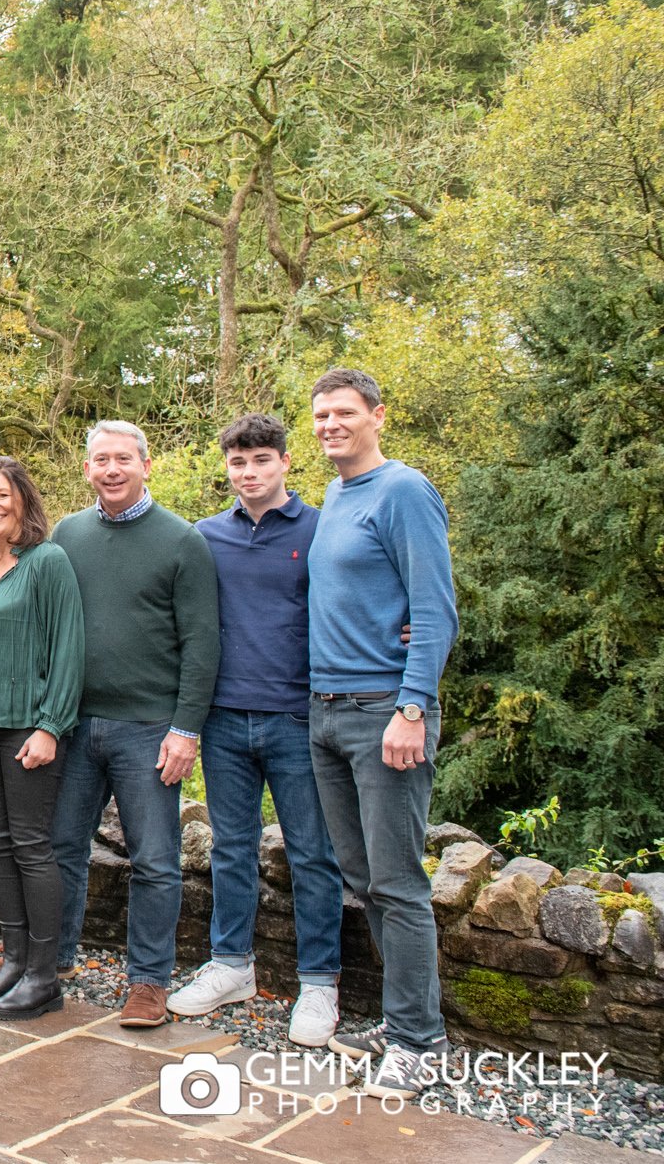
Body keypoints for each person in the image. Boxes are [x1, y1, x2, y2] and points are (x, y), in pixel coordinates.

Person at [304, 369, 458, 1101]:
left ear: (377, 416)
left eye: (344, 412)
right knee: (364, 880)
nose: (330, 423)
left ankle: (420, 1042)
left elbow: (435, 608)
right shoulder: (336, 495)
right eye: (321, 414)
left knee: (398, 882)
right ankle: (402, 1021)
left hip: (383, 714)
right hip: (327, 711)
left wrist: (413, 706)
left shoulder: (403, 490)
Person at [170, 413, 345, 1048]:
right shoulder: (205, 536)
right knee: (231, 847)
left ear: (285, 463)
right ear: (227, 467)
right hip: (221, 720)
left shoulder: (321, 528)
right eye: (239, 463)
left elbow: (361, 598)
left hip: (299, 718)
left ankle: (320, 982)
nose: (249, 473)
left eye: (261, 461)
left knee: (311, 853)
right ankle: (231, 965)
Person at [50, 421, 220, 1030]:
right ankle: (53, 959)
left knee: (155, 859)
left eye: (123, 458)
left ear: (147, 465)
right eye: (101, 460)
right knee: (62, 847)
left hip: (149, 728)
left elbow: (202, 644)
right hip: (72, 724)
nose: (112, 469)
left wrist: (186, 729)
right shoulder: (68, 534)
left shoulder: (182, 541)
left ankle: (148, 981)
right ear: (88, 469)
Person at [0, 458, 85, 1021]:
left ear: (22, 499)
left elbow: (69, 649)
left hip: (28, 728)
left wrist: (51, 726)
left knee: (30, 844)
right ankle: (14, 958)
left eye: (2, 495)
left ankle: (44, 975)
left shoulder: (47, 563)